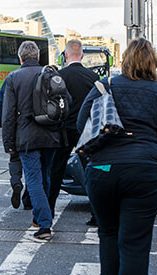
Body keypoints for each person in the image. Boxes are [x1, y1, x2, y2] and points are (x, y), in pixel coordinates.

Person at [77, 39, 157, 275]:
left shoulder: (106, 85)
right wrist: (147, 150)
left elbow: (82, 122)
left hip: (104, 168)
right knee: (134, 243)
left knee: (108, 234)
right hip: (144, 171)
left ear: (124, 60)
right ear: (152, 63)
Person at [2, 41, 62, 240]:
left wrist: (9, 144)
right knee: (45, 177)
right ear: (37, 57)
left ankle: (44, 225)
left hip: (27, 137)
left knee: (34, 180)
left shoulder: (14, 78)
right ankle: (38, 218)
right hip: (51, 135)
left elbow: (8, 114)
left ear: (20, 58)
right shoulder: (51, 74)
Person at [49, 40, 99, 219]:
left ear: (65, 55)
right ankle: (95, 213)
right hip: (86, 130)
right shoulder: (92, 77)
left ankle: (49, 211)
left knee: (56, 169)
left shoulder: (59, 76)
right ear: (83, 55)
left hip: (63, 130)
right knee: (90, 169)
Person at [0, 79, 31, 210]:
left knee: (15, 157)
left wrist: (3, 126)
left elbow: (3, 102)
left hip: (16, 127)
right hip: (35, 128)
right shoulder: (41, 75)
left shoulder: (11, 79)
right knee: (32, 165)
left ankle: (16, 182)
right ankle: (28, 199)